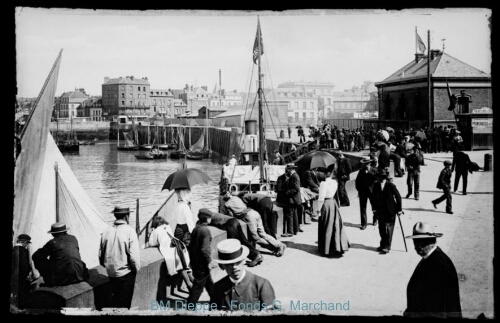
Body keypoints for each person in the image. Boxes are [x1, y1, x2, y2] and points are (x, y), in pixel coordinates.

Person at [404, 222, 462, 318]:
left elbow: (439, 307)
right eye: (415, 241)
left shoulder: (441, 265)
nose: (418, 245)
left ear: (433, 241)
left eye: (422, 241)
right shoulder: (429, 258)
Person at [210, 239, 276, 312]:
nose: (234, 267)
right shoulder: (218, 287)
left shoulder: (261, 285)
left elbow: (270, 312)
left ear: (244, 260)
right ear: (222, 266)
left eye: (238, 262)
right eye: (229, 264)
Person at [99, 206, 141, 308]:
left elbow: (101, 255)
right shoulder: (130, 231)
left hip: (111, 274)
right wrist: (136, 270)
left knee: (114, 304)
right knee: (124, 305)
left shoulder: (106, 231)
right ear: (127, 216)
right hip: (125, 274)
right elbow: (134, 257)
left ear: (115, 216)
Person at [32, 222, 89, 287]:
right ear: (65, 231)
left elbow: (36, 256)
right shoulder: (73, 239)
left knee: (38, 258)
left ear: (53, 234)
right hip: (79, 275)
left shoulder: (52, 243)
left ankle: (49, 281)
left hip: (62, 279)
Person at [147, 216, 193, 291]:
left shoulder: (156, 231)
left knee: (181, 268)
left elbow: (152, 243)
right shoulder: (167, 227)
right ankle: (197, 286)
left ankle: (191, 288)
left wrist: (151, 233)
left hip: (173, 250)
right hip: (180, 246)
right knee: (186, 268)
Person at [186, 209, 218, 306]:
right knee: (198, 287)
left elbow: (191, 245)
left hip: (195, 261)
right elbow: (205, 249)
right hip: (202, 263)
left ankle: (217, 301)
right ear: (207, 219)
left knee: (209, 284)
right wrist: (209, 262)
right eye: (210, 218)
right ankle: (190, 306)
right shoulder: (205, 231)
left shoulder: (196, 228)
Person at [317, 168, 350, 257]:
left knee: (326, 225)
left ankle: (326, 249)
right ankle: (336, 246)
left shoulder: (323, 184)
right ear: (331, 173)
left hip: (326, 204)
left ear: (325, 174)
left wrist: (318, 210)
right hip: (333, 203)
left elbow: (321, 198)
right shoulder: (335, 182)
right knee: (335, 225)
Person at [371, 169, 403, 254]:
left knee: (389, 229)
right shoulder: (376, 185)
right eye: (378, 177)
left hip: (390, 211)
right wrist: (374, 209)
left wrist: (399, 209)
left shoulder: (390, 185)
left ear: (384, 177)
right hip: (380, 211)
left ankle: (387, 247)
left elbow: (398, 197)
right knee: (381, 228)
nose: (379, 179)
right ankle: (383, 244)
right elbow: (373, 198)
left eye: (381, 177)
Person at [275, 163, 302, 237]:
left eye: (288, 170)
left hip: (292, 199)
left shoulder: (294, 176)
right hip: (293, 199)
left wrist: (287, 192)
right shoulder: (293, 176)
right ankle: (295, 229)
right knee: (294, 214)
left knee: (290, 214)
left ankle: (290, 232)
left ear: (290, 170)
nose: (287, 171)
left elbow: (296, 189)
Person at [11, 234, 36, 309]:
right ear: (24, 242)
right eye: (27, 243)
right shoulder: (24, 251)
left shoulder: (13, 249)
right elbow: (26, 265)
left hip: (14, 278)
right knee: (23, 295)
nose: (27, 245)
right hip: (22, 278)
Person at [355, 157, 377, 230]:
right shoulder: (361, 171)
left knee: (374, 206)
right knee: (363, 208)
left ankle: (375, 219)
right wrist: (359, 190)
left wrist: (369, 171)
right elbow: (357, 181)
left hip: (372, 192)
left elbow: (376, 178)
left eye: (367, 163)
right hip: (363, 192)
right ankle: (364, 224)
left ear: (370, 163)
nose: (365, 165)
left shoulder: (374, 170)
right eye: (365, 163)